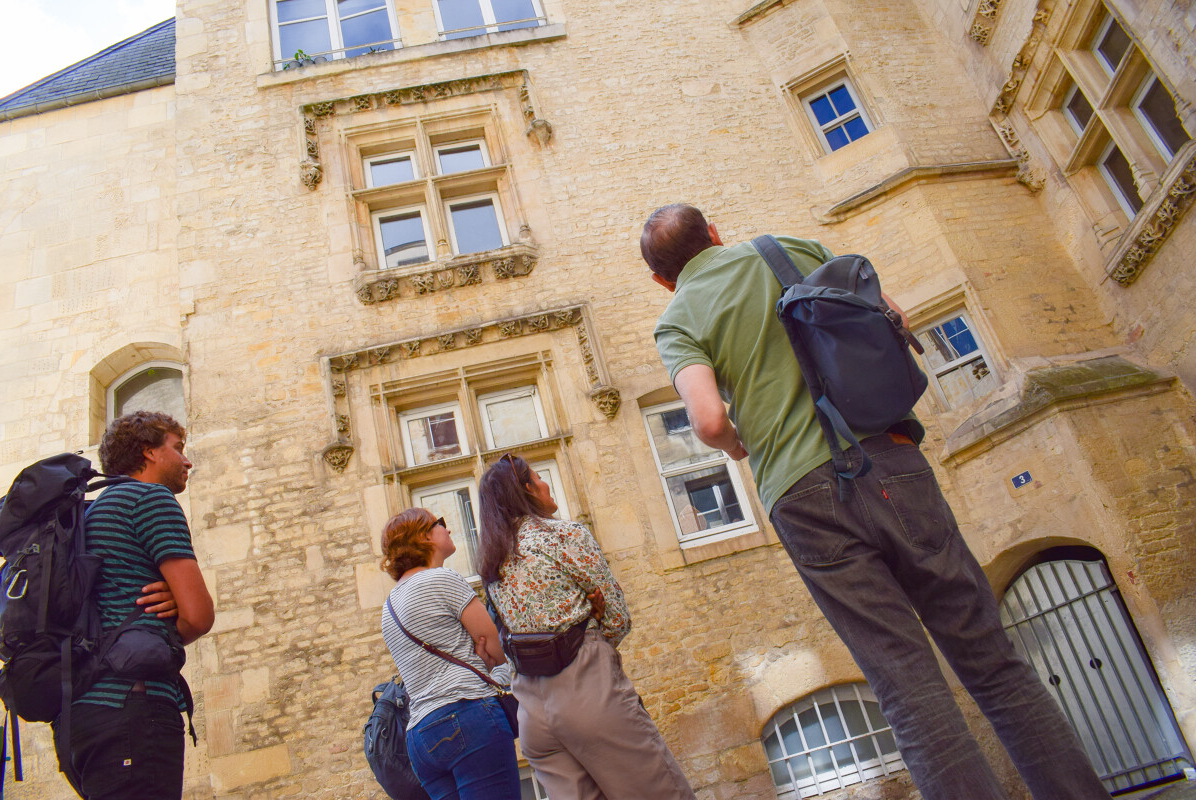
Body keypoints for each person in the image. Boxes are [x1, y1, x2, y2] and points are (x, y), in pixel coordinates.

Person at [642, 204, 1112, 800]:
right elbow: (891, 315)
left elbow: (707, 420)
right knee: (991, 662)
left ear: (663, 279)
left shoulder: (677, 318)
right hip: (886, 457)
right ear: (715, 233)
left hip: (800, 496)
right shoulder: (784, 248)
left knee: (907, 689)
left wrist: (739, 444)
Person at [476, 454, 696, 800]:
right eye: (539, 476)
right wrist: (593, 623)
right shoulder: (564, 535)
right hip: (588, 693)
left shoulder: (493, 564)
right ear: (528, 490)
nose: (547, 483)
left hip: (532, 712)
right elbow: (618, 619)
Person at [53, 411, 215, 800]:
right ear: (149, 453)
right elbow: (200, 616)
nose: (187, 460)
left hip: (81, 718)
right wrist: (173, 614)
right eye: (178, 449)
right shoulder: (150, 499)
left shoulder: (91, 513)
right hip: (134, 707)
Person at [379, 507, 521, 800]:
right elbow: (494, 652)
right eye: (440, 523)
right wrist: (484, 656)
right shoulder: (442, 579)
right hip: (467, 715)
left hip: (421, 736)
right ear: (423, 536)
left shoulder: (389, 606)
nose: (449, 529)